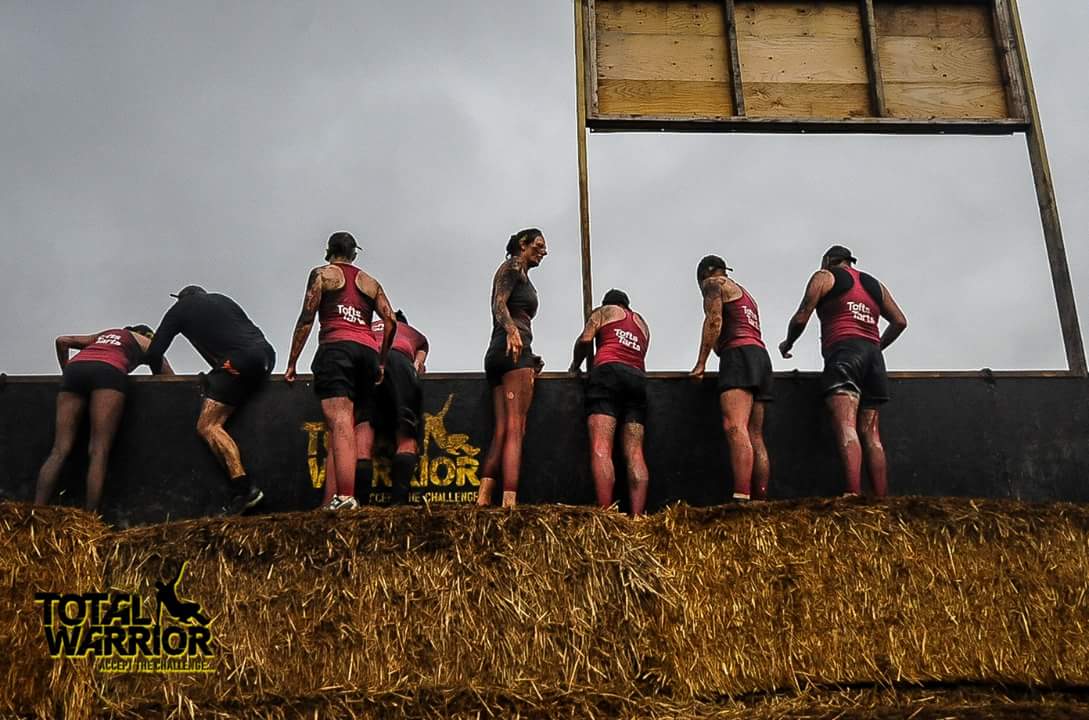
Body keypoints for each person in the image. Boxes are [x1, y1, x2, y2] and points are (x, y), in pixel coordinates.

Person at [778, 245, 907, 497]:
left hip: (844, 354)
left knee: (847, 425)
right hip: (873, 359)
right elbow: (900, 321)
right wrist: (877, 345)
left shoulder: (824, 277)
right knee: (872, 434)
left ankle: (852, 493)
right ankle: (881, 498)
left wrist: (788, 343)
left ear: (828, 260)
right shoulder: (875, 285)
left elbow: (802, 316)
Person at [284, 231, 397, 511]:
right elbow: (391, 321)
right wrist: (381, 360)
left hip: (337, 349)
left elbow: (307, 318)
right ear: (354, 253)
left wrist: (292, 362)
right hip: (367, 353)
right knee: (345, 427)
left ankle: (345, 497)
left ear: (329, 251)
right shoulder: (370, 282)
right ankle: (331, 501)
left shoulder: (323, 274)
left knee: (340, 421)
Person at [144, 286, 276, 514]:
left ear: (182, 299)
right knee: (226, 392)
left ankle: (245, 489)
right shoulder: (223, 300)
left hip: (237, 362)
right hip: (265, 358)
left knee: (208, 425)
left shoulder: (180, 309)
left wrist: (160, 385)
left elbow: (154, 353)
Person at [35, 325, 172, 511]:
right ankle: (90, 518)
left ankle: (36, 511)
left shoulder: (106, 334)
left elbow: (63, 341)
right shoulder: (143, 340)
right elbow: (167, 373)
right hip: (108, 372)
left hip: (75, 370)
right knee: (99, 450)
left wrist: (66, 370)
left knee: (59, 450)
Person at [689, 255, 772, 502]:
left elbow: (714, 321)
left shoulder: (713, 284)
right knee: (755, 434)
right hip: (760, 357)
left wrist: (701, 363)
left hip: (738, 356)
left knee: (735, 426)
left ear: (704, 274)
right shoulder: (746, 295)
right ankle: (760, 499)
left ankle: (741, 495)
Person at [326, 309, 428, 506]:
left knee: (363, 431)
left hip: (368, 361)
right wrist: (416, 366)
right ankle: (398, 503)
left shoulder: (369, 328)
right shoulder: (414, 334)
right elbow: (419, 363)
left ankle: (360, 504)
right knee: (406, 436)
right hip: (398, 361)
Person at [478, 228, 547, 508]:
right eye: (538, 245)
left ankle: (483, 498)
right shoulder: (513, 265)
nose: (544, 251)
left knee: (502, 429)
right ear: (523, 244)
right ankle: (509, 503)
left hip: (500, 355)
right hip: (512, 351)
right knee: (516, 429)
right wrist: (513, 332)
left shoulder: (520, 273)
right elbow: (498, 303)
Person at [569, 289, 651, 516]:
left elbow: (586, 340)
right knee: (635, 452)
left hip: (608, 373)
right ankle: (638, 517)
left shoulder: (604, 312)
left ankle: (606, 515)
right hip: (637, 378)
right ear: (627, 305)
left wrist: (575, 365)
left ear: (608, 303)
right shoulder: (642, 324)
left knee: (601, 447)